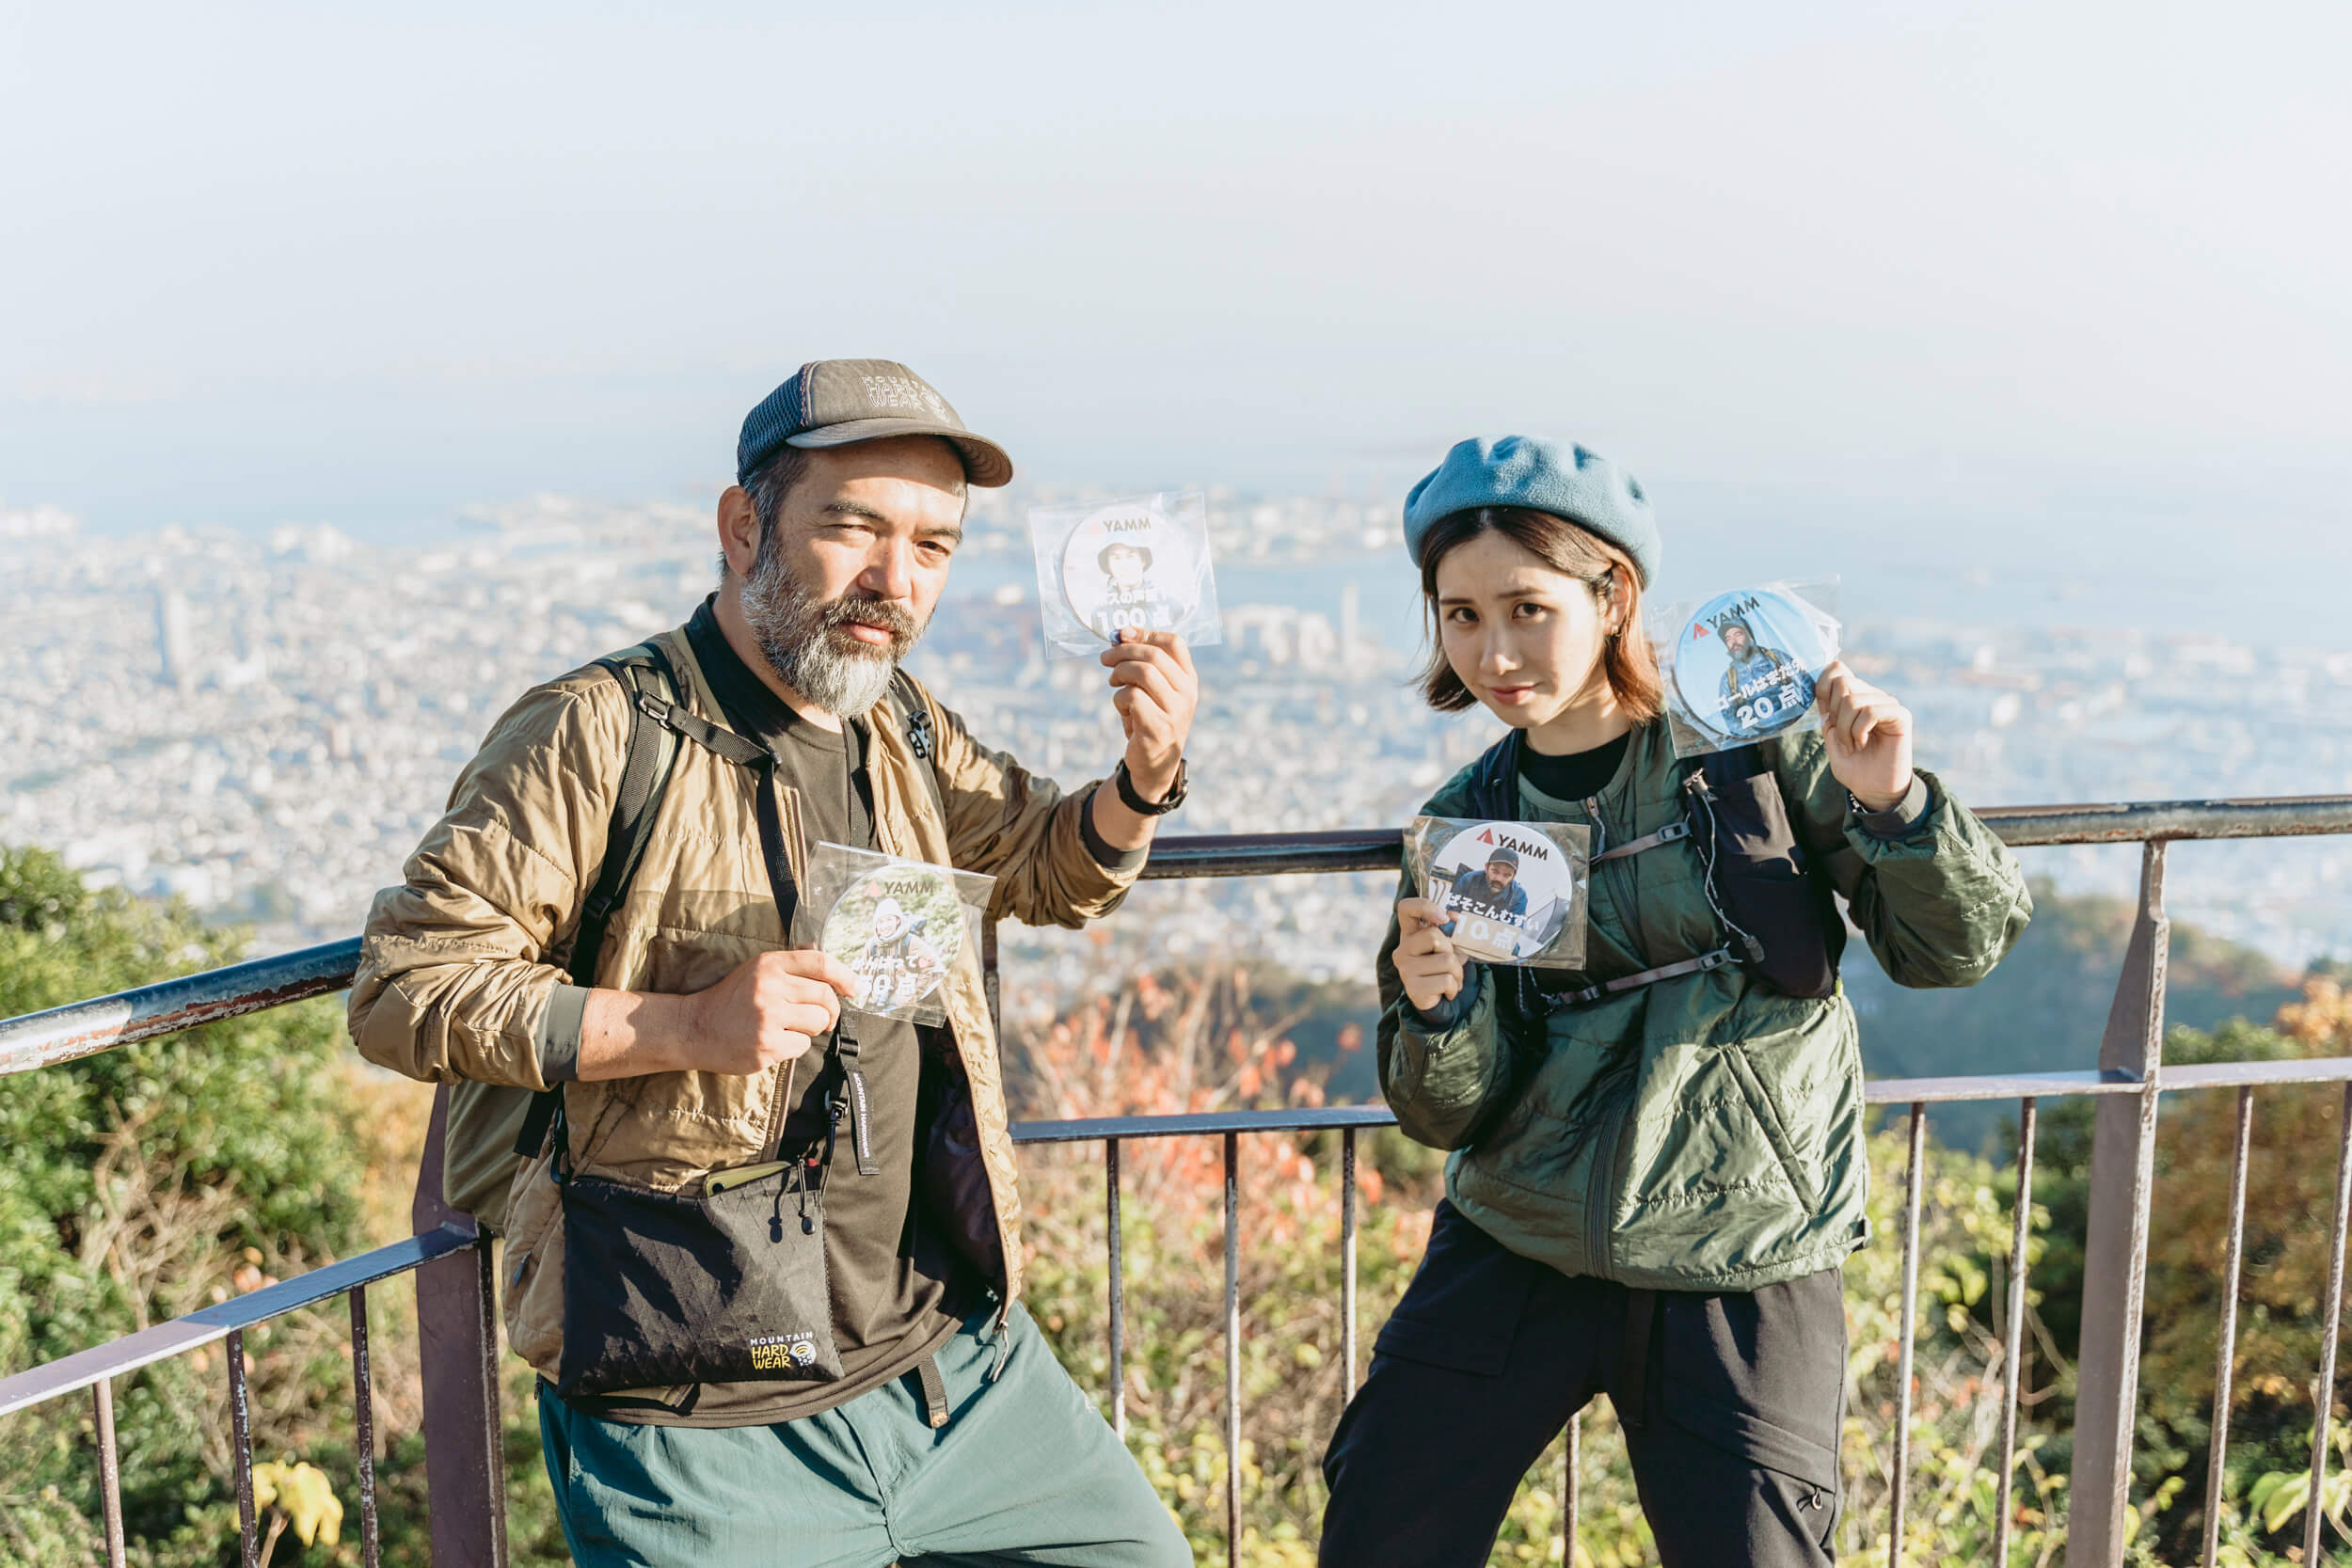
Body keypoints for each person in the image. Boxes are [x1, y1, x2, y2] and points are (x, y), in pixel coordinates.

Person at [349, 358, 1198, 1568]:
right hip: (694, 1390)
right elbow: (403, 988)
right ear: (743, 523)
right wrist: (681, 1029)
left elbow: (1038, 863)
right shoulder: (599, 731)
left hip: (946, 1361)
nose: (894, 581)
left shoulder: (894, 719)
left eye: (932, 545)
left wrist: (1142, 779)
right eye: (852, 526)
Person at [1318, 435, 2032, 1568]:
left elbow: (1956, 948)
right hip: (1522, 1234)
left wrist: (1892, 800)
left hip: (1740, 1241)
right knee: (1380, 1514)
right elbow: (1444, 1110)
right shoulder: (1471, 819)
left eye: (1526, 607)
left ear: (1614, 597)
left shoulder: (1750, 753)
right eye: (1459, 615)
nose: (1494, 650)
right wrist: (1434, 1010)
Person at [1716, 610, 1814, 735]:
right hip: (1761, 741)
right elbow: (1730, 718)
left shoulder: (1775, 656)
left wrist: (1806, 720)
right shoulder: (1728, 679)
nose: (1733, 641)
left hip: (1800, 728)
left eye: (1738, 634)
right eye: (1728, 638)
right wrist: (1753, 738)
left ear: (1749, 635)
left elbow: (1806, 685)